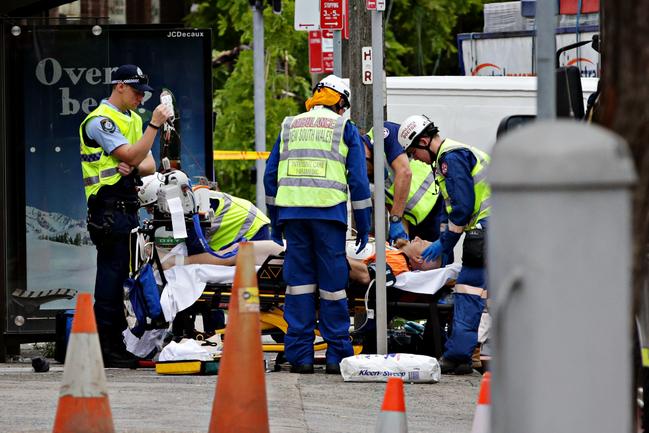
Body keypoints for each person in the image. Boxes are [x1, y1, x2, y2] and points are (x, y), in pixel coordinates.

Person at [263, 75, 372, 375]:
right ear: (340, 102)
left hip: (293, 218)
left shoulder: (289, 126)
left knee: (298, 286)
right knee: (333, 288)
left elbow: (270, 177)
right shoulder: (345, 129)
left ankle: (300, 358)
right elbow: (359, 183)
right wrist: (364, 225)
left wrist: (275, 222)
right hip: (329, 217)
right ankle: (338, 357)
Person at [80, 64, 173, 367]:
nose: (140, 99)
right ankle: (107, 348)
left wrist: (132, 161)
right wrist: (153, 128)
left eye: (143, 94)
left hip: (127, 208)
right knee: (109, 279)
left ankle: (116, 344)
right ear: (119, 86)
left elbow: (147, 164)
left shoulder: (131, 120)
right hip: (107, 209)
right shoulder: (99, 121)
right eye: (135, 92)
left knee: (120, 276)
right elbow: (135, 155)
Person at [397, 114, 490, 375]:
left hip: (492, 227)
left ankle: (457, 357)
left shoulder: (451, 158)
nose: (415, 159)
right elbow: (448, 210)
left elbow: (462, 209)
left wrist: (444, 243)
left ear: (425, 141)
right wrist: (443, 242)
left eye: (415, 152)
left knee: (469, 290)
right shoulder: (446, 161)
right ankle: (460, 355)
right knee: (477, 291)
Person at [138, 170, 271, 265]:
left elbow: (196, 250)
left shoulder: (194, 203)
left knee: (196, 260)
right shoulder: (186, 197)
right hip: (245, 228)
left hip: (253, 231)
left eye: (150, 207)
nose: (150, 211)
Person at [362, 122, 442, 242]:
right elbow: (392, 203)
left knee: (438, 258)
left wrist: (395, 220)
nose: (363, 173)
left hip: (437, 203)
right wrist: (401, 235)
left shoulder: (382, 133)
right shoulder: (365, 176)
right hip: (416, 220)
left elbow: (405, 173)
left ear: (363, 154)